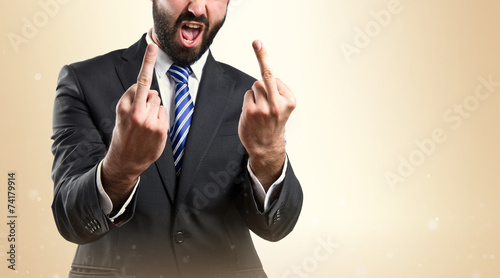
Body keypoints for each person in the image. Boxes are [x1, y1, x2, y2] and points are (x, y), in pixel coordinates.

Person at [51, 0, 303, 277]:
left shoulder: (252, 98)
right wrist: (121, 167)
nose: (197, 8)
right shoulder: (84, 81)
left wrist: (269, 154)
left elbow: (276, 227)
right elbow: (71, 220)